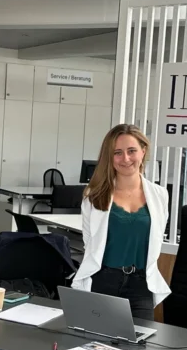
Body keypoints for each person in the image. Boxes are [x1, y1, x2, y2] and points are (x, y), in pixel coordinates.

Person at [72, 123, 170, 320]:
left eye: (131, 151)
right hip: (104, 281)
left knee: (142, 339)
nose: (125, 159)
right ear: (109, 157)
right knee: (98, 338)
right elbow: (90, 242)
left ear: (143, 151)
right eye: (117, 153)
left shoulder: (159, 195)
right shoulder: (94, 196)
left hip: (140, 285)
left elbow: (156, 240)